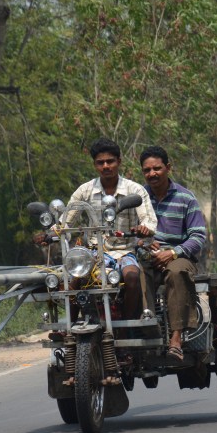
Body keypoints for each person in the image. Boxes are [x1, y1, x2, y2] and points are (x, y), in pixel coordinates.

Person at [59, 137, 158, 321]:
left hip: (126, 251)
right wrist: (51, 233)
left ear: (119, 162)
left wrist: (144, 229)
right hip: (95, 253)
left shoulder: (135, 190)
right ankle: (69, 329)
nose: (106, 166)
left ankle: (126, 326)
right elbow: (65, 221)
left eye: (110, 161)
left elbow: (149, 220)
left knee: (132, 277)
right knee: (74, 278)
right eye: (100, 162)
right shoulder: (85, 191)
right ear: (95, 165)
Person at [140, 145, 208, 361]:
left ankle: (176, 339)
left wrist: (173, 252)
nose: (152, 173)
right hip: (147, 257)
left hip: (179, 257)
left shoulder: (186, 198)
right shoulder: (139, 199)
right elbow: (128, 233)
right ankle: (147, 329)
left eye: (157, 168)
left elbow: (198, 236)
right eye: (147, 170)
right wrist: (142, 244)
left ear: (168, 168)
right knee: (132, 273)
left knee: (177, 272)